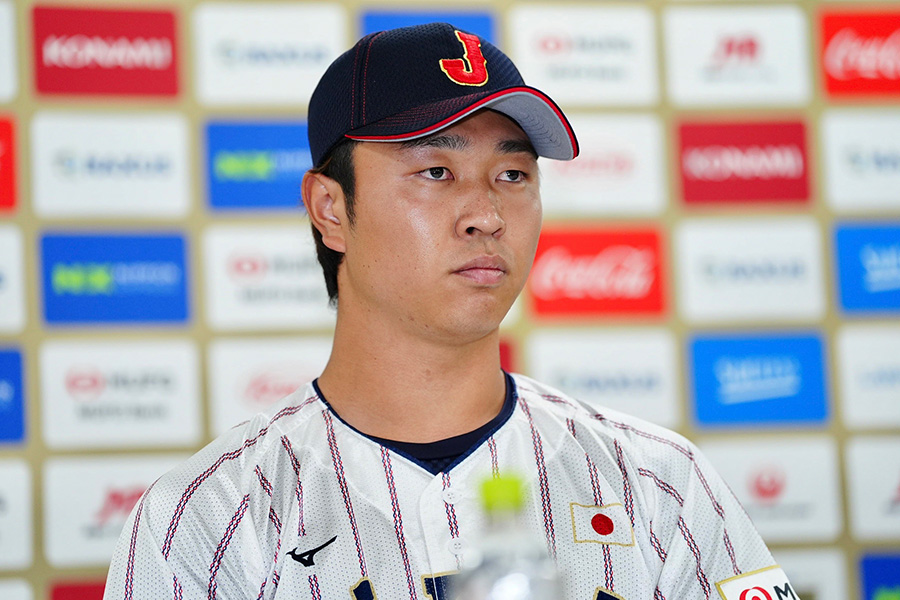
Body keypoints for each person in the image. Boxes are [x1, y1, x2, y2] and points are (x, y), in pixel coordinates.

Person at [104, 23, 795, 600]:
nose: (486, 214)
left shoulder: (658, 483)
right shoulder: (209, 516)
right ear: (330, 209)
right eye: (436, 172)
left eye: (513, 175)